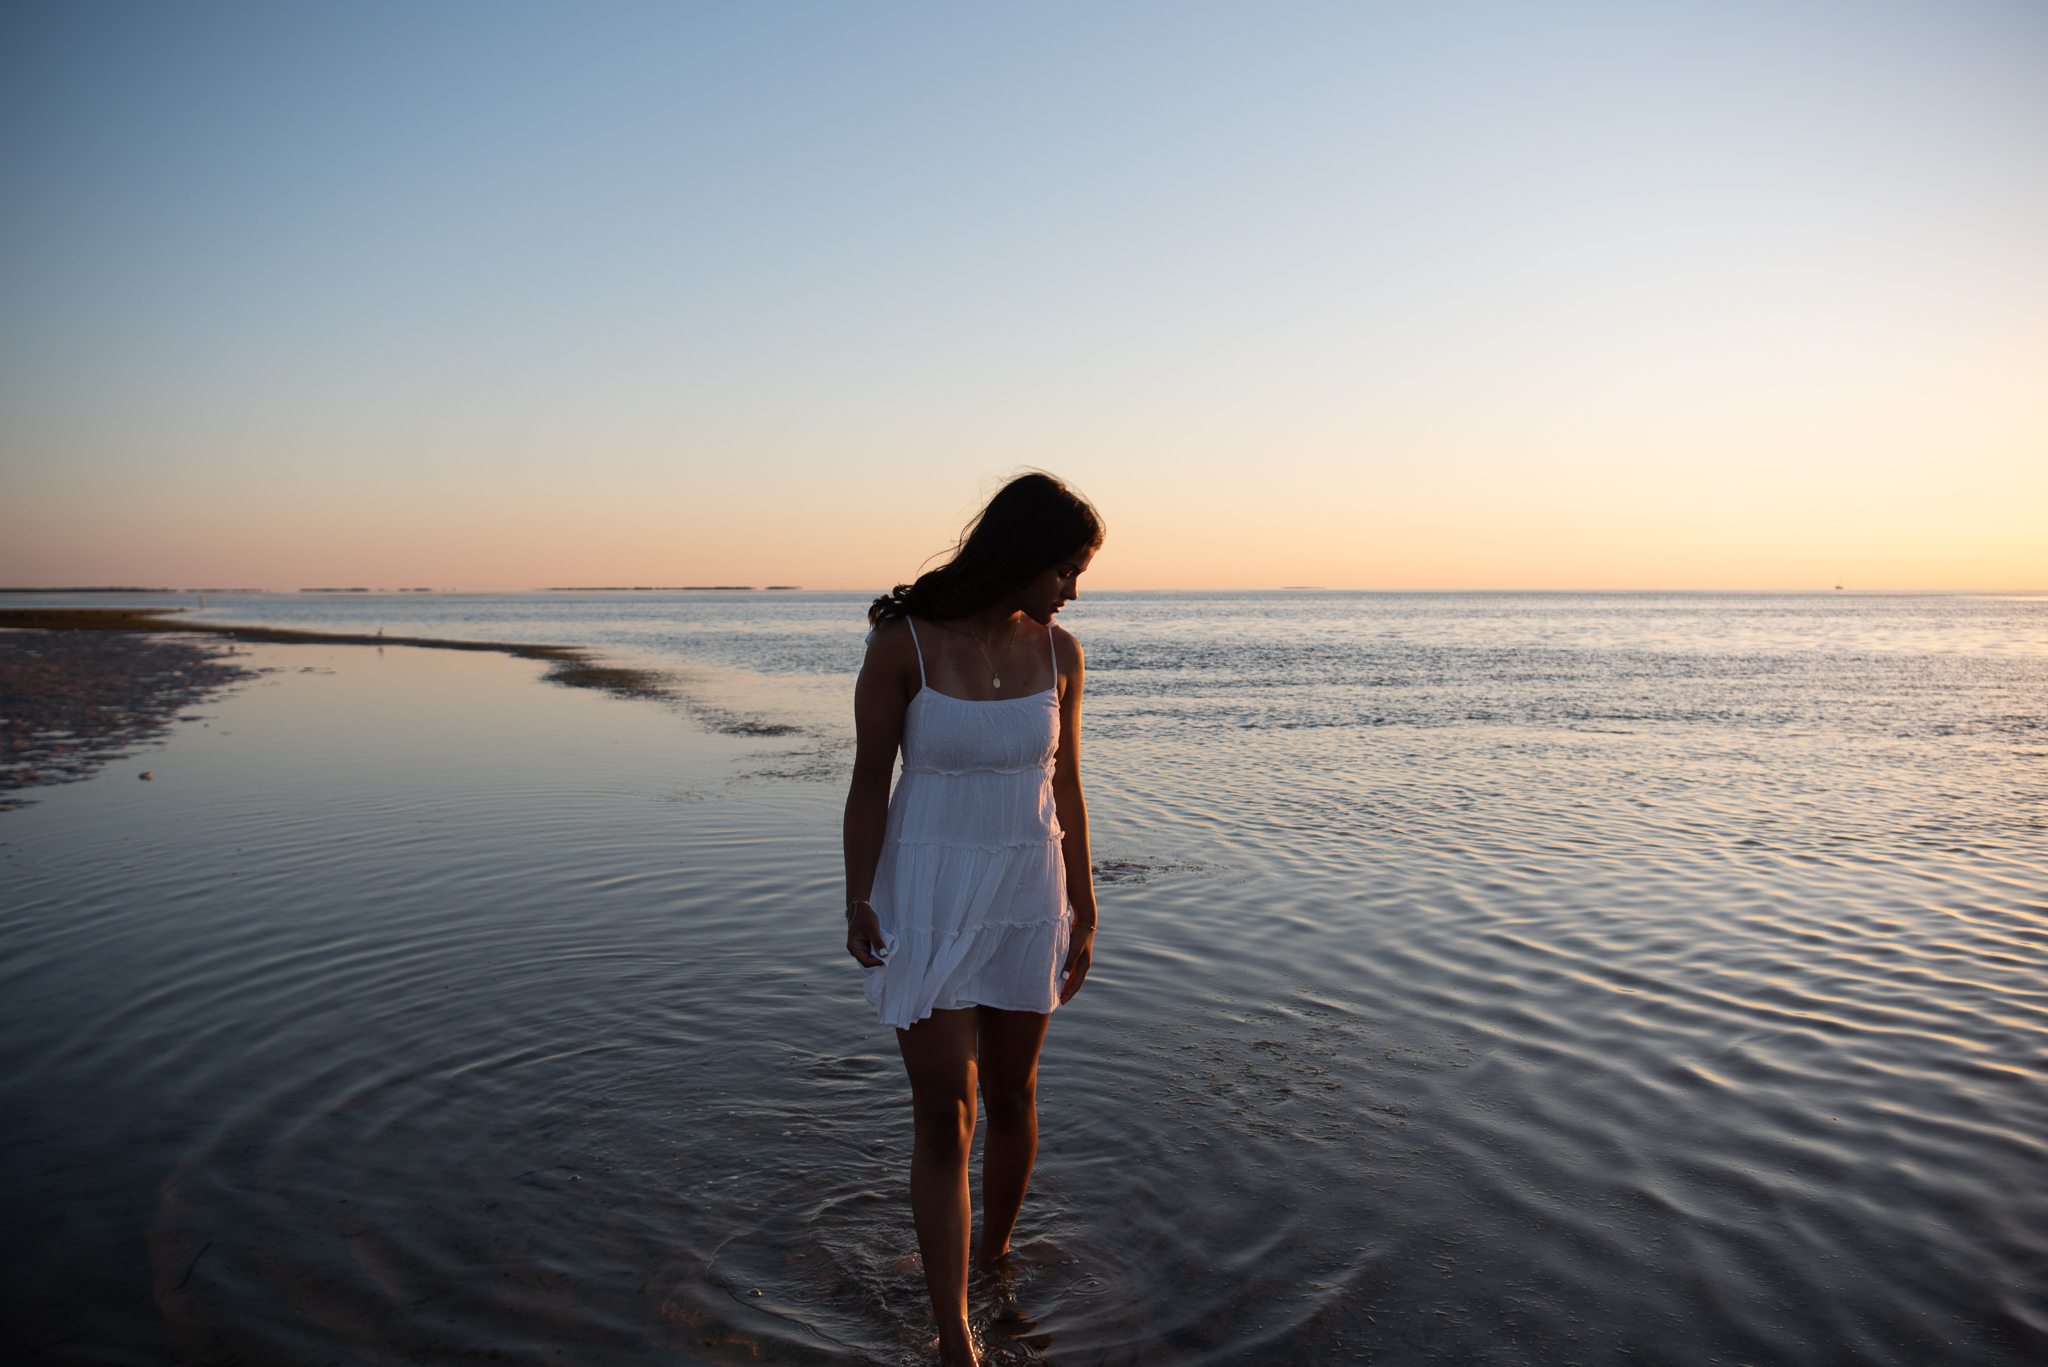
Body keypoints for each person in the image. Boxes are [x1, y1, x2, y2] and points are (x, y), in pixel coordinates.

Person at [843, 471, 1104, 1366]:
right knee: (942, 1112)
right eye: (1067, 568)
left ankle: (993, 1263)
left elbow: (1065, 786)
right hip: (926, 891)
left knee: (1014, 1093)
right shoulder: (902, 643)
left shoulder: (1062, 653)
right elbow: (869, 781)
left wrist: (1085, 900)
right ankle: (954, 1327)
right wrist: (858, 893)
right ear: (1024, 557)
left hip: (1028, 890)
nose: (1074, 588)